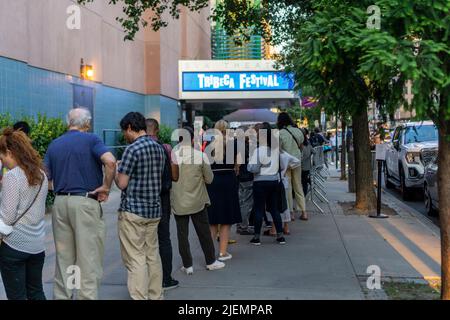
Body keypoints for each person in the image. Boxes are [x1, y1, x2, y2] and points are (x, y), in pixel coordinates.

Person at [44, 107, 116, 300]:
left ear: (68, 122)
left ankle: (63, 296)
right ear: (87, 123)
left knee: (64, 258)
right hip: (85, 201)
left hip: (60, 203)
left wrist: (63, 184)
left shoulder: (55, 144)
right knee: (88, 258)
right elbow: (110, 162)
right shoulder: (92, 139)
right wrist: (106, 187)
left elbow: (45, 179)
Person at [116, 112, 166, 300]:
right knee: (152, 255)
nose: (124, 135)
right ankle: (156, 295)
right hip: (154, 210)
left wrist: (114, 172)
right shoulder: (158, 148)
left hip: (133, 211)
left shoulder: (132, 149)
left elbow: (122, 183)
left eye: (125, 131)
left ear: (130, 127)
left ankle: (139, 296)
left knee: (135, 258)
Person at [0, 128, 48, 300]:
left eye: (2, 157)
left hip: (14, 246)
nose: (3, 162)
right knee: (36, 292)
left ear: (10, 152)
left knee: (17, 296)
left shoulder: (13, 176)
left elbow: (7, 217)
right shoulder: (41, 174)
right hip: (37, 245)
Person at [171, 126, 225, 275]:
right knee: (204, 233)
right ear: (192, 139)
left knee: (182, 234)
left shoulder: (172, 155)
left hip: (178, 201)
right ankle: (210, 261)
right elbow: (209, 179)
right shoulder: (200, 156)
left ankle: (187, 265)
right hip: (197, 201)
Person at [145, 118, 180, 290]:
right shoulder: (166, 148)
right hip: (162, 198)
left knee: (143, 241)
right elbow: (175, 176)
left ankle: (144, 279)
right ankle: (166, 279)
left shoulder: (136, 147)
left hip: (142, 199)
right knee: (164, 238)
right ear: (157, 130)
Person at [207, 120, 242, 261]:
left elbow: (206, 166)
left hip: (213, 181)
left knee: (213, 219)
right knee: (226, 219)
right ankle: (222, 253)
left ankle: (209, 254)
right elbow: (238, 166)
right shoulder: (234, 144)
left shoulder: (209, 145)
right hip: (228, 180)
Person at [247, 122, 286, 246]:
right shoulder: (276, 150)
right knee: (274, 209)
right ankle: (280, 236)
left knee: (259, 209)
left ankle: (256, 238)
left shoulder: (259, 151)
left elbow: (253, 169)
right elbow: (282, 165)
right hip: (274, 181)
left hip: (260, 182)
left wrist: (249, 163)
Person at [277, 112, 309, 221]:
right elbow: (301, 145)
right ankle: (304, 212)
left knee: (288, 188)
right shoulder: (299, 131)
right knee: (298, 185)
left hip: (286, 163)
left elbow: (279, 149)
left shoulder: (280, 133)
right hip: (297, 161)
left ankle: (291, 213)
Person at [236, 127, 254, 236]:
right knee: (246, 203)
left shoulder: (235, 146)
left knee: (240, 201)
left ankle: (239, 224)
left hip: (239, 178)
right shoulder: (247, 147)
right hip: (247, 177)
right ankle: (243, 226)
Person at [301, 129, 315, 196]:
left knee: (303, 181)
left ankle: (304, 194)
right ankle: (305, 193)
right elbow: (314, 152)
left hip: (301, 167)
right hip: (307, 167)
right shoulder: (308, 144)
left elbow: (303, 157)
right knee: (304, 181)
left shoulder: (301, 146)